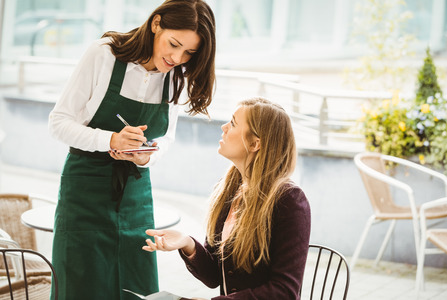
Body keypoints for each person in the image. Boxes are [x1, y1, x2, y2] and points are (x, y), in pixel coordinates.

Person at [48, 0, 215, 299]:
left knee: (135, 285)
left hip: (135, 194)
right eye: (174, 44)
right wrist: (110, 140)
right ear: (156, 24)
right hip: (84, 189)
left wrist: (145, 156)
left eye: (189, 52)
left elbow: (167, 139)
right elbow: (59, 122)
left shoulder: (176, 76)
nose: (177, 58)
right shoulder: (104, 54)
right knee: (80, 283)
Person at [143, 97, 311, 299]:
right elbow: (214, 276)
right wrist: (186, 243)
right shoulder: (230, 190)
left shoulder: (290, 201)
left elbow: (284, 292)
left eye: (233, 123)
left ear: (255, 143)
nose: (223, 127)